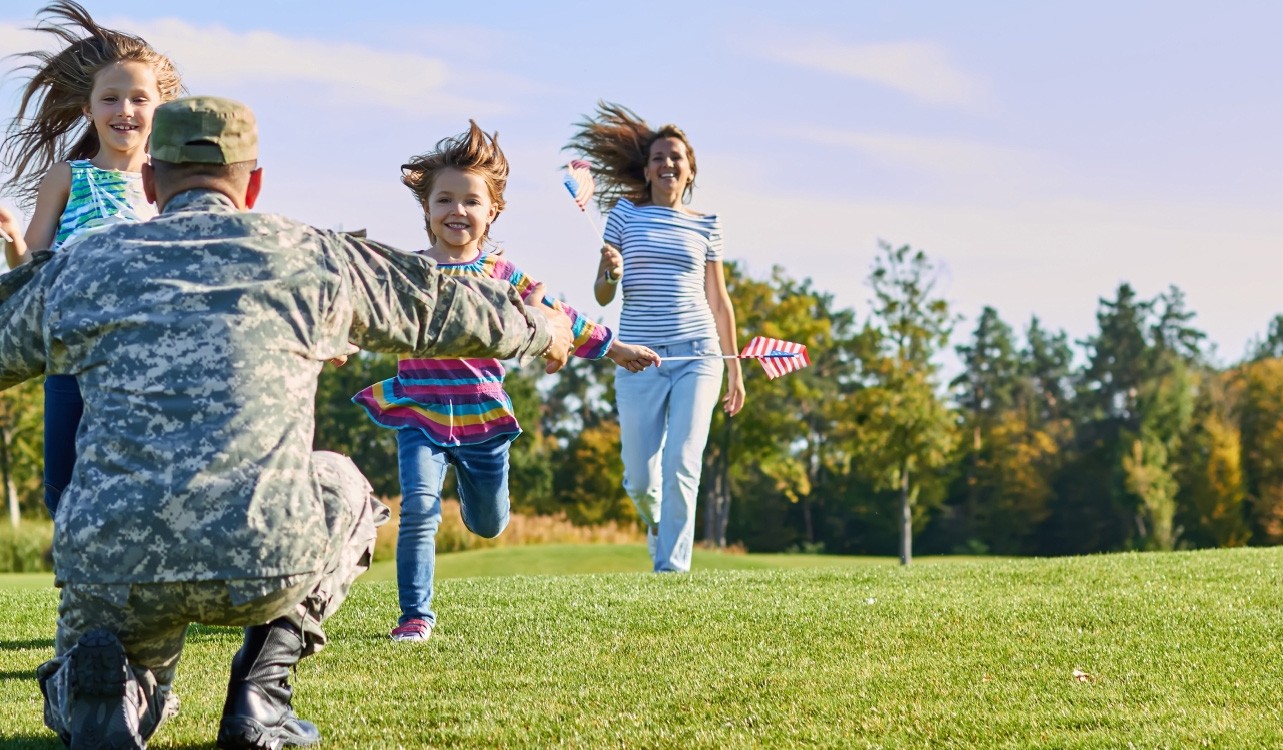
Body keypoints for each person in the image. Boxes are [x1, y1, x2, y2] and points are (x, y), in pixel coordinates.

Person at [0, 95, 576, 750]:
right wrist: (544, 329)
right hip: (263, 555)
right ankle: (260, 692)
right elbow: (438, 307)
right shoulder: (313, 257)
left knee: (123, 661)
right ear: (254, 184)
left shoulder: (86, 265)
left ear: (152, 182)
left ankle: (110, 689)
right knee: (344, 485)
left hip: (119, 562)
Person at [352, 121, 660, 643]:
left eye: (471, 201)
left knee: (490, 523)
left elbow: (564, 319)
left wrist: (615, 347)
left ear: (492, 209)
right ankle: (415, 616)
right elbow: (364, 310)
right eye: (444, 200)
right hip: (419, 411)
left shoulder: (505, 275)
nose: (457, 211)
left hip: (482, 416)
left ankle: (480, 504)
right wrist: (341, 340)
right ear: (426, 208)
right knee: (419, 510)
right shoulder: (406, 272)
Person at [0, 0, 184, 517]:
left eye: (138, 99)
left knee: (146, 481)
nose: (124, 110)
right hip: (73, 356)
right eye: (110, 98)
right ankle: (74, 592)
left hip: (149, 356)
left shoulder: (172, 182)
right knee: (64, 483)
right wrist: (12, 235)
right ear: (88, 108)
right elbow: (32, 272)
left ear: (159, 109)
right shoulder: (68, 177)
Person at [567, 101, 745, 572]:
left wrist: (735, 368)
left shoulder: (708, 224)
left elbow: (719, 299)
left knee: (683, 464)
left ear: (690, 171)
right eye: (660, 157)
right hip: (637, 357)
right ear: (646, 170)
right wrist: (609, 271)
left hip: (699, 354)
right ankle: (654, 524)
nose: (668, 163)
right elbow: (603, 296)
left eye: (677, 158)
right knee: (640, 481)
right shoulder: (624, 217)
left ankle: (672, 569)